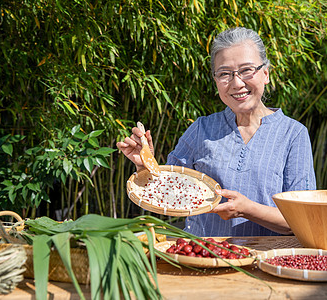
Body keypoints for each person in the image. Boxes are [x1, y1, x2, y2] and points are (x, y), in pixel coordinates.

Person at [117, 27, 316, 237]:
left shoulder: (293, 134)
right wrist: (144, 164)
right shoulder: (201, 129)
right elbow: (165, 192)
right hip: (201, 258)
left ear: (265, 74)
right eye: (224, 74)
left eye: (247, 70)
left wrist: (247, 209)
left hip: (267, 262)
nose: (237, 83)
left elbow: (306, 220)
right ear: (216, 81)